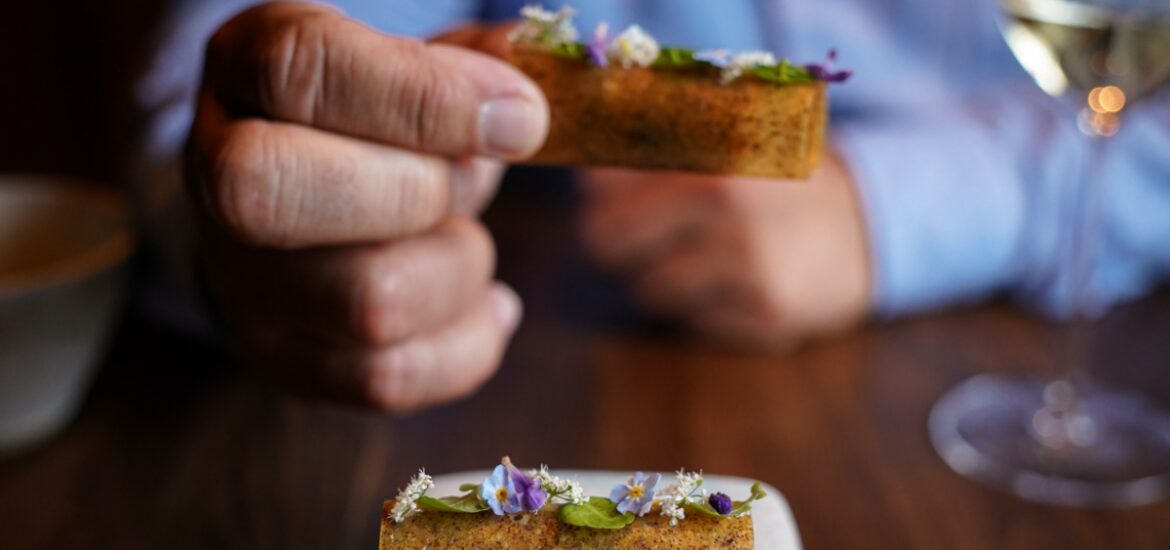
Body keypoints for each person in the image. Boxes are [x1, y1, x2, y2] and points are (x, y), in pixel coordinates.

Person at [131, 1, 1170, 412]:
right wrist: (244, 206)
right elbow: (225, 88)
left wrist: (907, 208)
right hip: (546, 337)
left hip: (1050, 342)